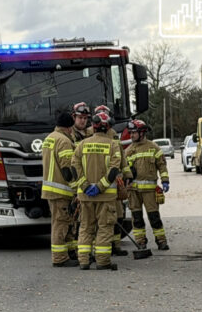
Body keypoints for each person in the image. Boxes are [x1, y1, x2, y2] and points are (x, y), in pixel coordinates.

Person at [72, 111, 123, 271]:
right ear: (108, 128)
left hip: (85, 196)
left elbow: (74, 168)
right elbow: (114, 170)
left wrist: (85, 186)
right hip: (106, 197)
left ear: (93, 127)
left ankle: (84, 261)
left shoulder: (82, 144)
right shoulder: (113, 145)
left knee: (86, 227)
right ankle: (102, 261)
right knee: (104, 228)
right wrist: (100, 187)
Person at [123, 119, 171, 254]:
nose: (131, 135)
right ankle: (141, 242)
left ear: (142, 133)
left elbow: (162, 165)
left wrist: (165, 180)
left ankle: (161, 241)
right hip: (133, 192)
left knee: (154, 217)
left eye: (134, 133)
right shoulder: (128, 151)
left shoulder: (153, 147)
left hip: (150, 191)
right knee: (137, 219)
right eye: (130, 133)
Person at [40, 112, 79, 267]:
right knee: (61, 223)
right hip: (61, 190)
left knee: (66, 222)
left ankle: (70, 253)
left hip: (51, 188)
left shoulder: (49, 138)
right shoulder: (64, 141)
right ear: (69, 128)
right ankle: (60, 258)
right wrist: (76, 188)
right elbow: (67, 169)